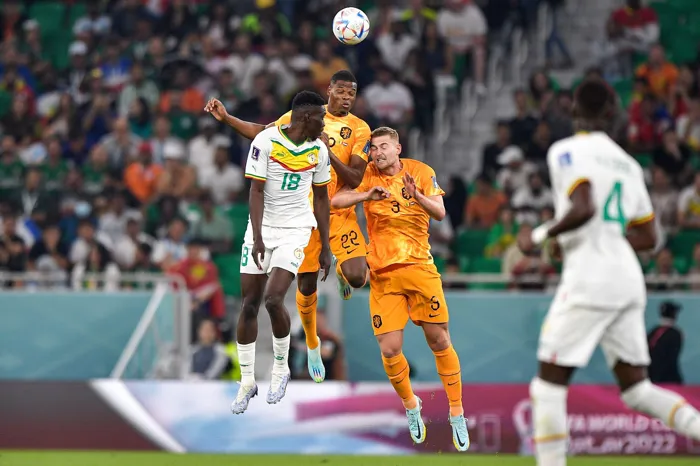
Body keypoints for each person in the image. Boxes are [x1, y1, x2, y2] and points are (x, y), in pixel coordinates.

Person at [518, 79, 700, 466]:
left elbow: (583, 207)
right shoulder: (629, 164)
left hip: (590, 280)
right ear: (612, 114)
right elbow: (649, 237)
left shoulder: (566, 150)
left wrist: (538, 235)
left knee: (548, 386)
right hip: (628, 280)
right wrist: (605, 237)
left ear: (573, 110)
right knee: (637, 390)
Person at [205, 70, 371, 383]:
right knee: (306, 287)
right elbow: (261, 132)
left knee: (358, 277)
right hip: (305, 214)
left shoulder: (360, 129)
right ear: (329, 90)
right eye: (342, 91)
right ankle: (312, 344)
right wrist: (227, 118)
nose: (347, 98)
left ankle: (342, 271)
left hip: (340, 211)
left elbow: (354, 178)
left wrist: (326, 151)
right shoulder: (307, 114)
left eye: (352, 93)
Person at [330, 127, 470, 452]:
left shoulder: (420, 171)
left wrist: (416, 195)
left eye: (383, 146)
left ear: (398, 148)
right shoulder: (367, 175)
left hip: (420, 268)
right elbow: (336, 200)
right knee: (390, 349)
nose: (377, 153)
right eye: (373, 148)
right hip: (383, 274)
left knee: (439, 340)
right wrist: (366, 196)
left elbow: (440, 212)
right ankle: (411, 405)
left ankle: (457, 412)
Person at [230, 91, 332, 415]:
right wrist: (258, 237)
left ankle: (279, 369)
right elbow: (256, 190)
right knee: (249, 304)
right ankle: (247, 381)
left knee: (274, 299)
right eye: (321, 118)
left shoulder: (319, 150)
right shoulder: (266, 141)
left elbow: (321, 199)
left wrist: (326, 246)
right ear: (306, 117)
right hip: (261, 229)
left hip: (296, 229)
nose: (324, 125)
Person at [647, 300, 684, 385]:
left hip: (651, 376)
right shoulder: (675, 334)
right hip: (668, 378)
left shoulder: (652, 332)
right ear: (674, 315)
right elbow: (672, 359)